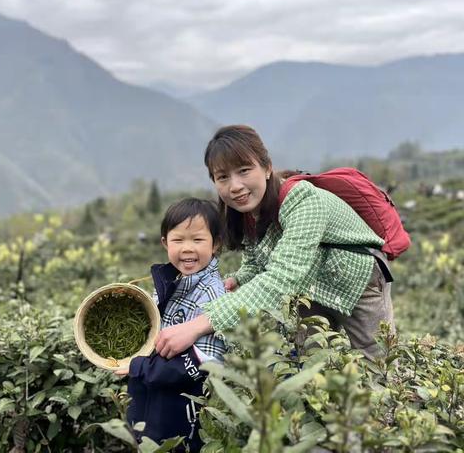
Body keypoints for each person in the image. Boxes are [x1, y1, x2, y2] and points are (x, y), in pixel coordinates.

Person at [155, 125, 395, 361]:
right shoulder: (245, 212)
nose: (235, 186)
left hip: (357, 279)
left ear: (267, 168)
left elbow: (281, 278)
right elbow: (256, 263)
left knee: (377, 362)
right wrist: (237, 280)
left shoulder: (303, 200)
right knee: (308, 363)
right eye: (223, 177)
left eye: (244, 170)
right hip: (310, 284)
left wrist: (198, 325)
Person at [124, 198, 227, 451]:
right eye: (178, 240)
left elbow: (205, 363)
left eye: (198, 240)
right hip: (150, 403)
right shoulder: (172, 283)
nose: (187, 249)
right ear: (165, 243)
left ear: (216, 243)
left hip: (180, 413)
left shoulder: (212, 295)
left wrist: (137, 367)